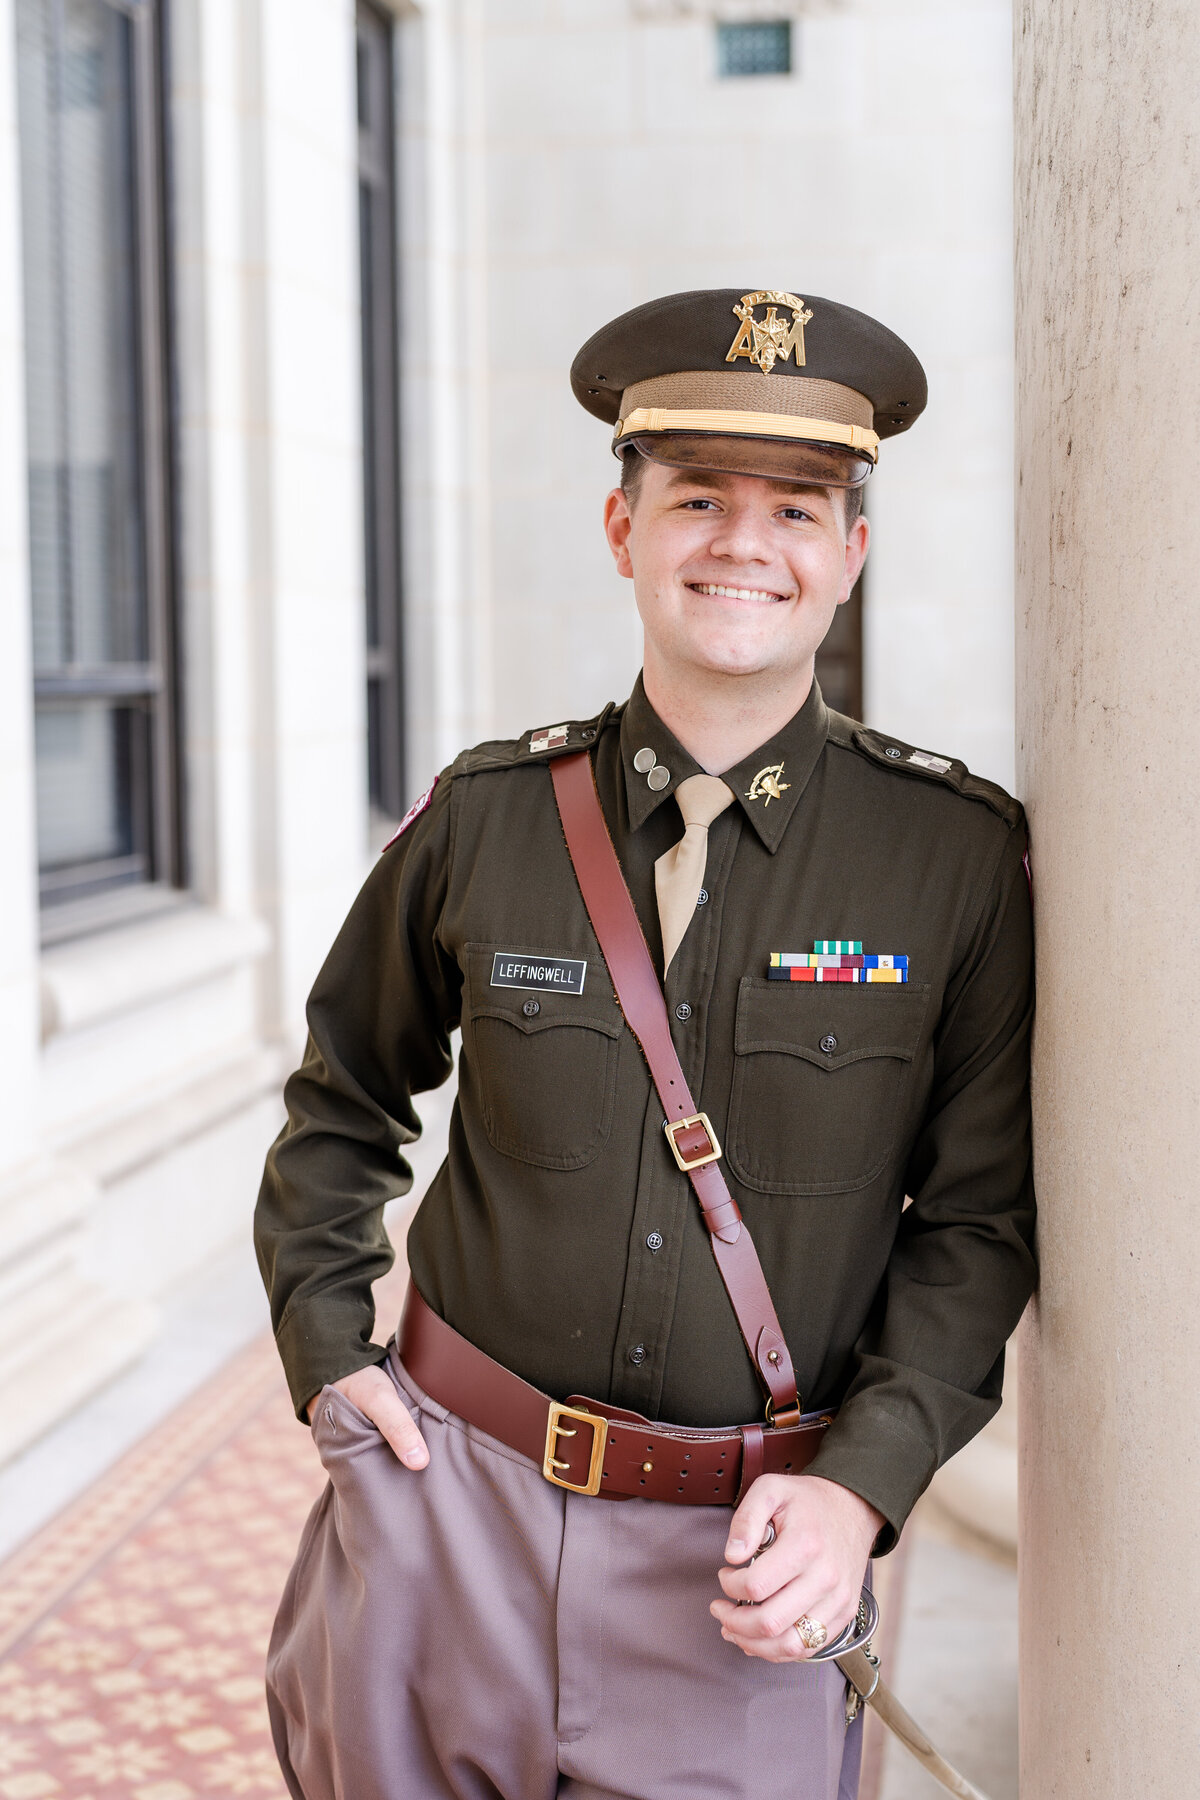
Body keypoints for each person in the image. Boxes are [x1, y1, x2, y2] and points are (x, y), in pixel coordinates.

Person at [255, 288, 1036, 1800]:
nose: (743, 544)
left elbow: (980, 1227)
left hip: (746, 1567)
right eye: (696, 500)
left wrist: (861, 1495)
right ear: (623, 530)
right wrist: (325, 1348)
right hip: (445, 1522)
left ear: (850, 556)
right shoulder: (483, 820)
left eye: (796, 509)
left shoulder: (950, 862)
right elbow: (344, 1097)